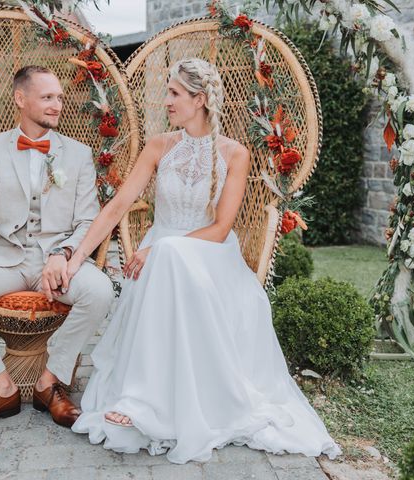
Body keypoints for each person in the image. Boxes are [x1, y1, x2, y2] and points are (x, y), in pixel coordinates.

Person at [65, 58, 341, 464]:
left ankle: (147, 401)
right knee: (168, 257)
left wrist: (159, 248)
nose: (167, 101)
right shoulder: (159, 146)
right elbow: (119, 204)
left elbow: (221, 226)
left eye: (175, 93)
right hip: (161, 255)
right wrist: (76, 257)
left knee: (172, 254)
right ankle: (146, 399)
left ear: (199, 100)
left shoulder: (234, 154)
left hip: (209, 255)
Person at [0, 65, 115, 436]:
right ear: (20, 98)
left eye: (60, 97)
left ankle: (51, 382)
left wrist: (62, 253)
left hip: (58, 260)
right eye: (47, 97)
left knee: (101, 291)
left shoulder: (78, 155)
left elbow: (88, 220)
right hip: (5, 257)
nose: (57, 104)